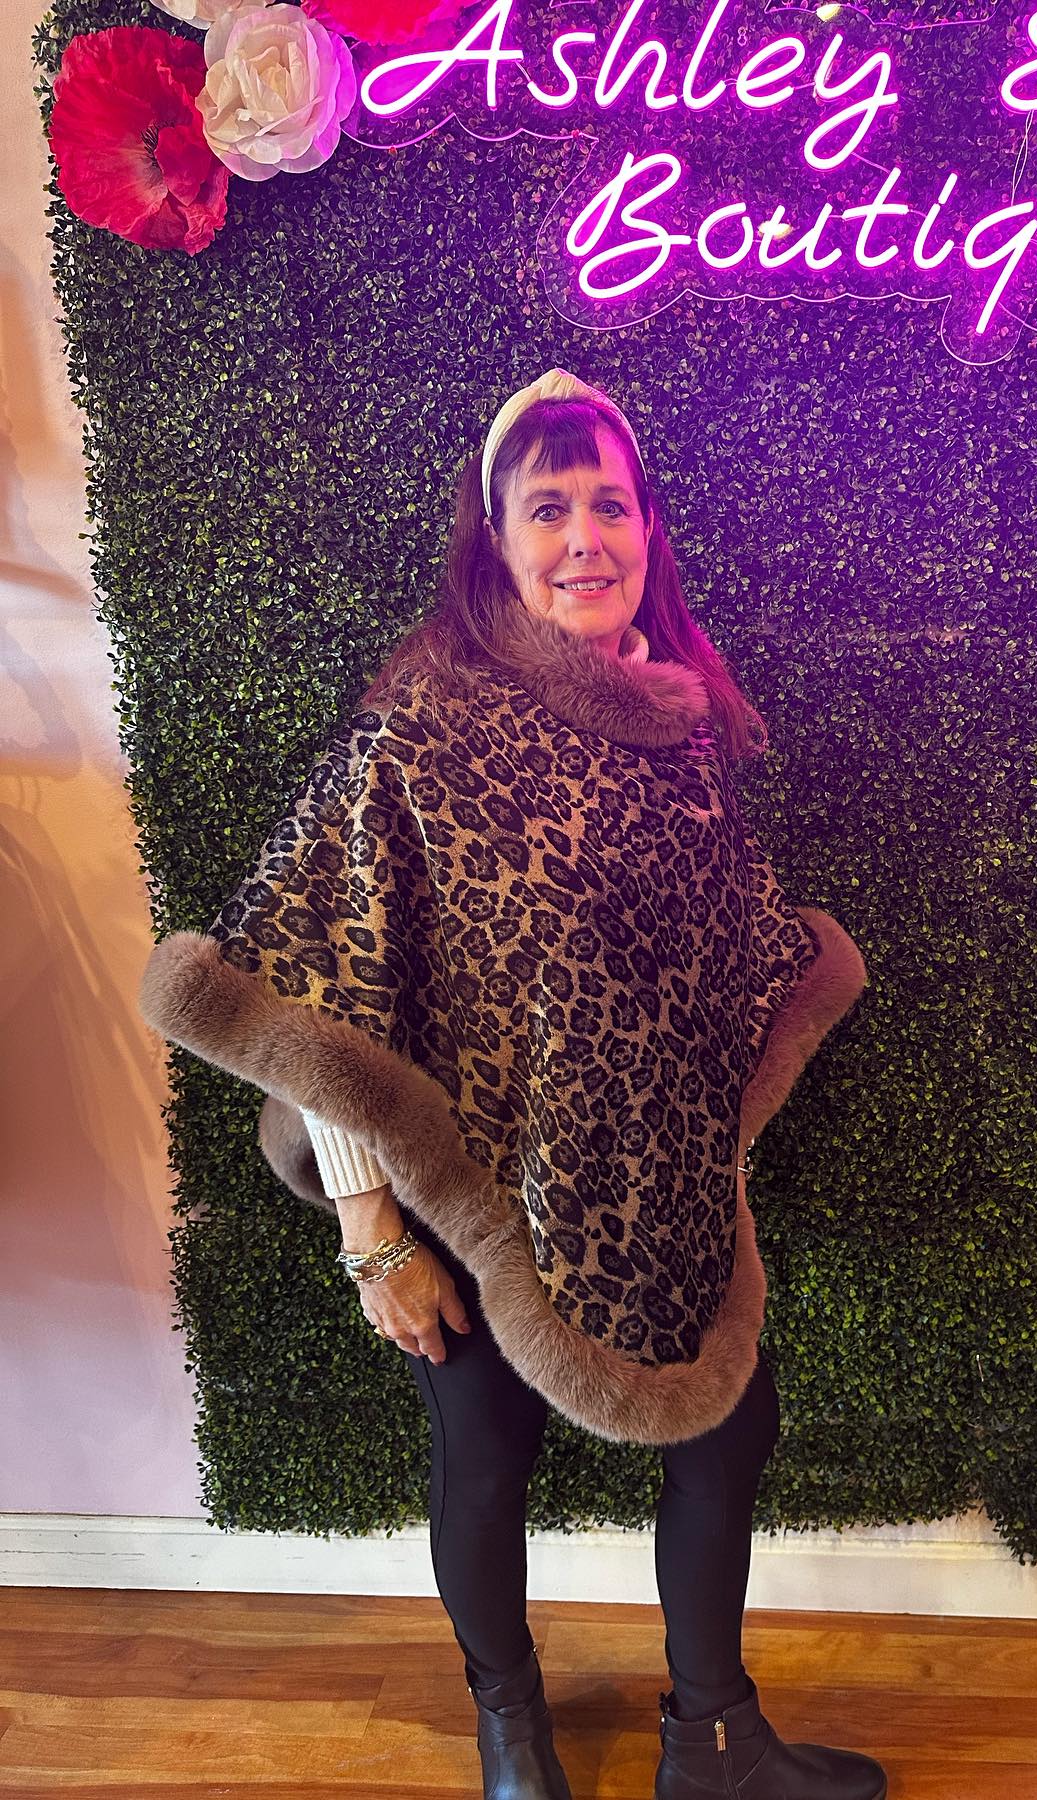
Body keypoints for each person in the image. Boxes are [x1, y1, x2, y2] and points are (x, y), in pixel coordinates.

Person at [139, 369, 882, 1800]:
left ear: (649, 532)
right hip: (478, 1193)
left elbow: (710, 967)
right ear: (497, 536)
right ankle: (510, 1731)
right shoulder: (423, 734)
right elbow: (330, 983)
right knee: (484, 1462)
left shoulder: (685, 736)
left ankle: (713, 1741)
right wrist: (373, 1234)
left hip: (662, 1190)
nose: (586, 536)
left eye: (612, 504)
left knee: (732, 1431)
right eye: (549, 507)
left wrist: (727, 1109)